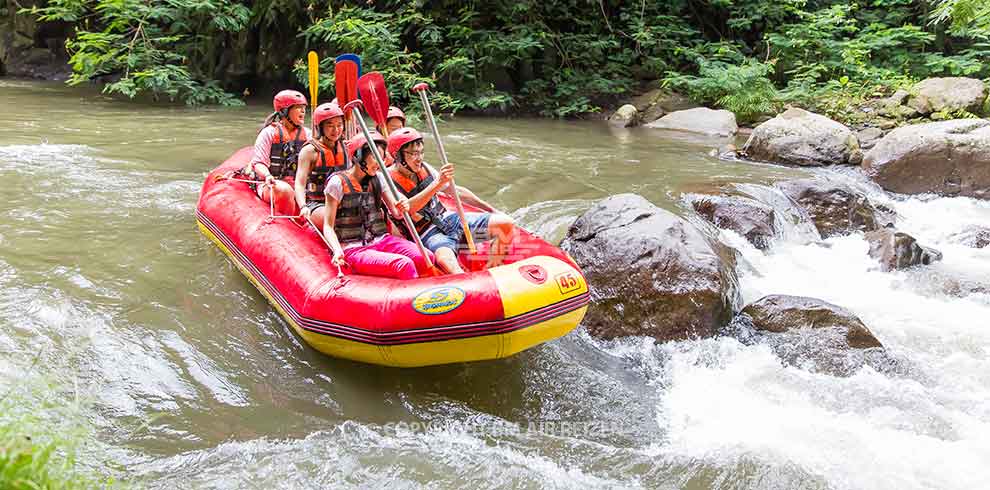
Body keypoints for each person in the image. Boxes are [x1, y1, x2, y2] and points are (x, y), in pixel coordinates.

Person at [386, 127, 515, 274]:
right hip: (428, 233)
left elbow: (456, 191)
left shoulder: (424, 167)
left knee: (506, 224)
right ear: (398, 156)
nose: (420, 158)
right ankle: (468, 286)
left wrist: (490, 209)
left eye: (421, 152)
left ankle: (493, 271)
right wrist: (437, 184)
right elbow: (406, 210)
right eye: (414, 154)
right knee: (446, 261)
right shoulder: (386, 178)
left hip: (450, 220)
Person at [322, 131, 433, 280]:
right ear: (359, 157)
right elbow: (328, 226)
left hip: (382, 240)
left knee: (426, 257)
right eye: (375, 157)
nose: (379, 163)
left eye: (381, 158)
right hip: (354, 248)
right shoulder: (337, 183)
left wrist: (403, 203)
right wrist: (336, 250)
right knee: (403, 264)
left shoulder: (379, 178)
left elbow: (397, 212)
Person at [245, 89, 310, 215]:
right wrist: (267, 176)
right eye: (298, 108)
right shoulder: (268, 133)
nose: (303, 111)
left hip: (298, 184)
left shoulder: (308, 134)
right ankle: (288, 224)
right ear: (285, 111)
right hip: (271, 184)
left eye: (303, 108)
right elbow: (259, 162)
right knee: (284, 190)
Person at [295, 102, 348, 228]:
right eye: (330, 126)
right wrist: (303, 206)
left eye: (339, 125)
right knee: (336, 218)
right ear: (320, 127)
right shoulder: (309, 151)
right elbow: (300, 183)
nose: (336, 130)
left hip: (343, 202)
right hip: (316, 203)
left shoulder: (347, 148)